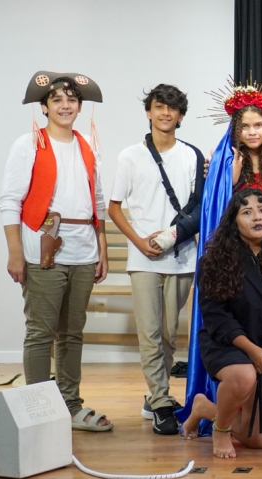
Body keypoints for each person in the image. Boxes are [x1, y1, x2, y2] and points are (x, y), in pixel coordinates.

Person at [180, 77, 262, 432]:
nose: (252, 132)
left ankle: (220, 408)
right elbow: (217, 214)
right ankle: (221, 400)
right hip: (236, 257)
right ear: (235, 129)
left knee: (260, 433)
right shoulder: (225, 162)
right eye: (245, 126)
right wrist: (231, 178)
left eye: (258, 125)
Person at [0, 71, 111, 431]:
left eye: (72, 99)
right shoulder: (29, 144)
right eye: (57, 99)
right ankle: (39, 409)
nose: (65, 105)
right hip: (42, 250)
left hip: (83, 250)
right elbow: (10, 200)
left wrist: (102, 249)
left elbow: (97, 201)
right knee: (40, 333)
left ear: (79, 106)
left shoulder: (87, 145)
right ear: (44, 106)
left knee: (72, 333)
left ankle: (70, 404)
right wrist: (16, 252)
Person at [108, 84, 203, 434]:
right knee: (149, 332)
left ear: (181, 116)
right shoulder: (130, 156)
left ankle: (154, 395)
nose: (165, 113)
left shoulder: (192, 155)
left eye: (172, 108)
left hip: (182, 256)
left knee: (167, 334)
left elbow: (198, 206)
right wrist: (138, 242)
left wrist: (171, 237)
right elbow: (114, 208)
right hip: (143, 259)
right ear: (148, 112)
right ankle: (162, 401)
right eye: (159, 107)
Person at [181, 188, 262, 458]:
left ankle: (204, 408)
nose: (257, 217)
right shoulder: (214, 261)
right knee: (244, 375)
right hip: (226, 342)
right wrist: (251, 350)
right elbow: (217, 317)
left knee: (260, 440)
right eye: (247, 212)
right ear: (233, 222)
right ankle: (221, 428)